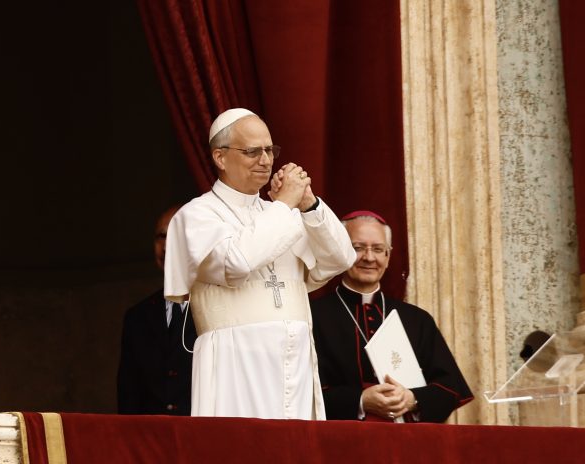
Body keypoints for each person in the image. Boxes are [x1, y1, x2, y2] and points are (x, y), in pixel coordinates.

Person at [163, 108, 356, 419]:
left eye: (269, 150)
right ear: (220, 157)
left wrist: (308, 204)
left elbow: (341, 258)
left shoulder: (281, 212)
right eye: (252, 151)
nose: (266, 160)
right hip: (234, 365)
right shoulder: (197, 215)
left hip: (295, 363)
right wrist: (285, 204)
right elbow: (236, 263)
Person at [311, 210, 473, 423]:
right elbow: (303, 393)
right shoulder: (313, 316)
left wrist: (412, 399)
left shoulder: (417, 320)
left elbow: (450, 388)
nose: (369, 257)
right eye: (357, 248)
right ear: (341, 252)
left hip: (407, 439)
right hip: (342, 439)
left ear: (388, 256)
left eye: (378, 249)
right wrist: (360, 401)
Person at [117, 205, 197, 415]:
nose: (166, 246)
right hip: (151, 434)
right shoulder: (137, 317)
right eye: (161, 237)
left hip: (202, 431)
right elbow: (129, 397)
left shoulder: (218, 308)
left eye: (176, 235)